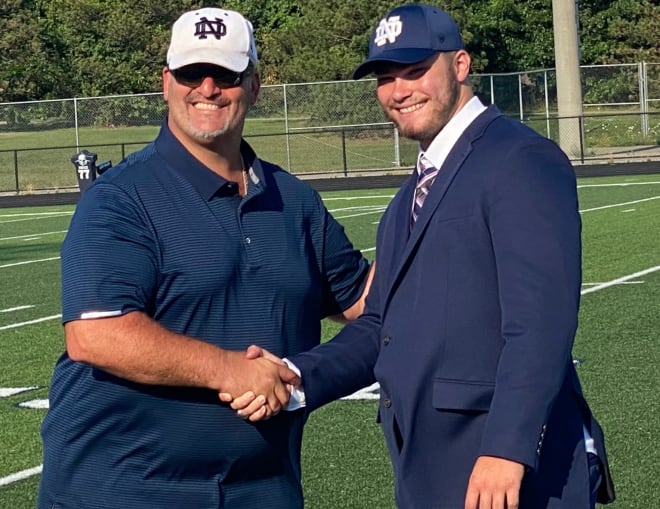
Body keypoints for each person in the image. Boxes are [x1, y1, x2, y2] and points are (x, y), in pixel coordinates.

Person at [233, 4, 616, 509]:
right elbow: (379, 329)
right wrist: (297, 376)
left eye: (415, 71)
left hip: (508, 473)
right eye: (385, 77)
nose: (399, 91)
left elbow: (540, 324)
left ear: (460, 65)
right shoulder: (406, 200)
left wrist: (508, 448)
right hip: (431, 469)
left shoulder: (519, 159)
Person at [37, 7, 373, 509]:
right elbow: (96, 334)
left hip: (262, 489)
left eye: (227, 74)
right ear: (167, 82)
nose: (209, 88)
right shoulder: (121, 197)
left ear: (254, 86)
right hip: (126, 489)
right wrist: (230, 370)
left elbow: (367, 300)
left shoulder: (296, 201)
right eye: (193, 73)